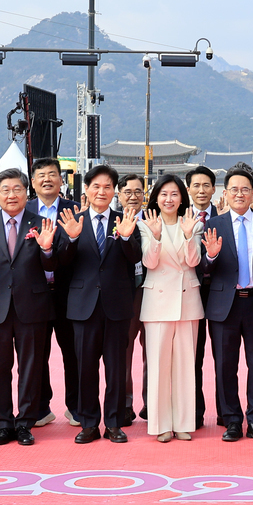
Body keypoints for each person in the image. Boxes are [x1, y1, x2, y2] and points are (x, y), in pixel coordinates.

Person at [0, 168, 66, 447]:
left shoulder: (43, 223)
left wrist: (46, 249)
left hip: (32, 306)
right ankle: (3, 423)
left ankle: (25, 422)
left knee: (31, 367)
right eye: (5, 190)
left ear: (26, 192)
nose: (11, 195)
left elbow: (53, 266)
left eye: (17, 189)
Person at [53, 165, 143, 444]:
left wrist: (127, 236)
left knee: (116, 368)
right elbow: (60, 263)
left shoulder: (125, 220)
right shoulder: (73, 221)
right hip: (83, 306)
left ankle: (114, 423)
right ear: (87, 191)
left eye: (107, 187)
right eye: (96, 187)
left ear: (114, 191)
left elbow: (136, 258)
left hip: (116, 306)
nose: (101, 192)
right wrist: (71, 238)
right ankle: (89, 423)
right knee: (86, 367)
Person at [199, 165, 253, 442]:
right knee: (225, 365)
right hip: (225, 305)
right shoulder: (213, 225)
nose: (240, 194)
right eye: (234, 189)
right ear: (225, 192)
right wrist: (209, 257)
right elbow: (202, 268)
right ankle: (232, 420)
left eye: (245, 189)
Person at [139, 174, 204, 442]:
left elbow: (194, 260)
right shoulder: (146, 225)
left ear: (182, 197)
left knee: (185, 365)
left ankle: (184, 423)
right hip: (157, 303)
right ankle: (160, 424)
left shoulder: (193, 224)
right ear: (156, 197)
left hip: (187, 300)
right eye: (164, 194)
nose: (169, 199)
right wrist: (155, 237)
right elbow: (149, 263)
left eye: (174, 194)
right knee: (158, 366)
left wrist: (189, 236)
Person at [28, 158, 81, 429]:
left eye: (53, 175)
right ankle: (39, 407)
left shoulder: (76, 211)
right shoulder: (23, 212)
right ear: (33, 181)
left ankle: (76, 407)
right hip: (34, 294)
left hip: (68, 293)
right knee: (36, 353)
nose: (47, 179)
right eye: (41, 175)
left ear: (62, 180)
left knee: (73, 352)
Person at [186, 166, 219, 429]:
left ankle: (225, 413)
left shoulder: (225, 218)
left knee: (223, 356)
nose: (201, 190)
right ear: (188, 190)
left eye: (206, 185)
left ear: (214, 189)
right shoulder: (179, 217)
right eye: (196, 185)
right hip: (189, 293)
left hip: (220, 294)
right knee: (192, 357)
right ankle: (194, 411)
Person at [118, 174, 148, 425]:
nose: (133, 196)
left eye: (138, 192)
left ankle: (152, 403)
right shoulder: (112, 222)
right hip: (126, 295)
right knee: (124, 351)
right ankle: (125, 404)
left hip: (150, 292)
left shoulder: (152, 221)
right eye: (128, 191)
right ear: (119, 195)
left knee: (153, 351)